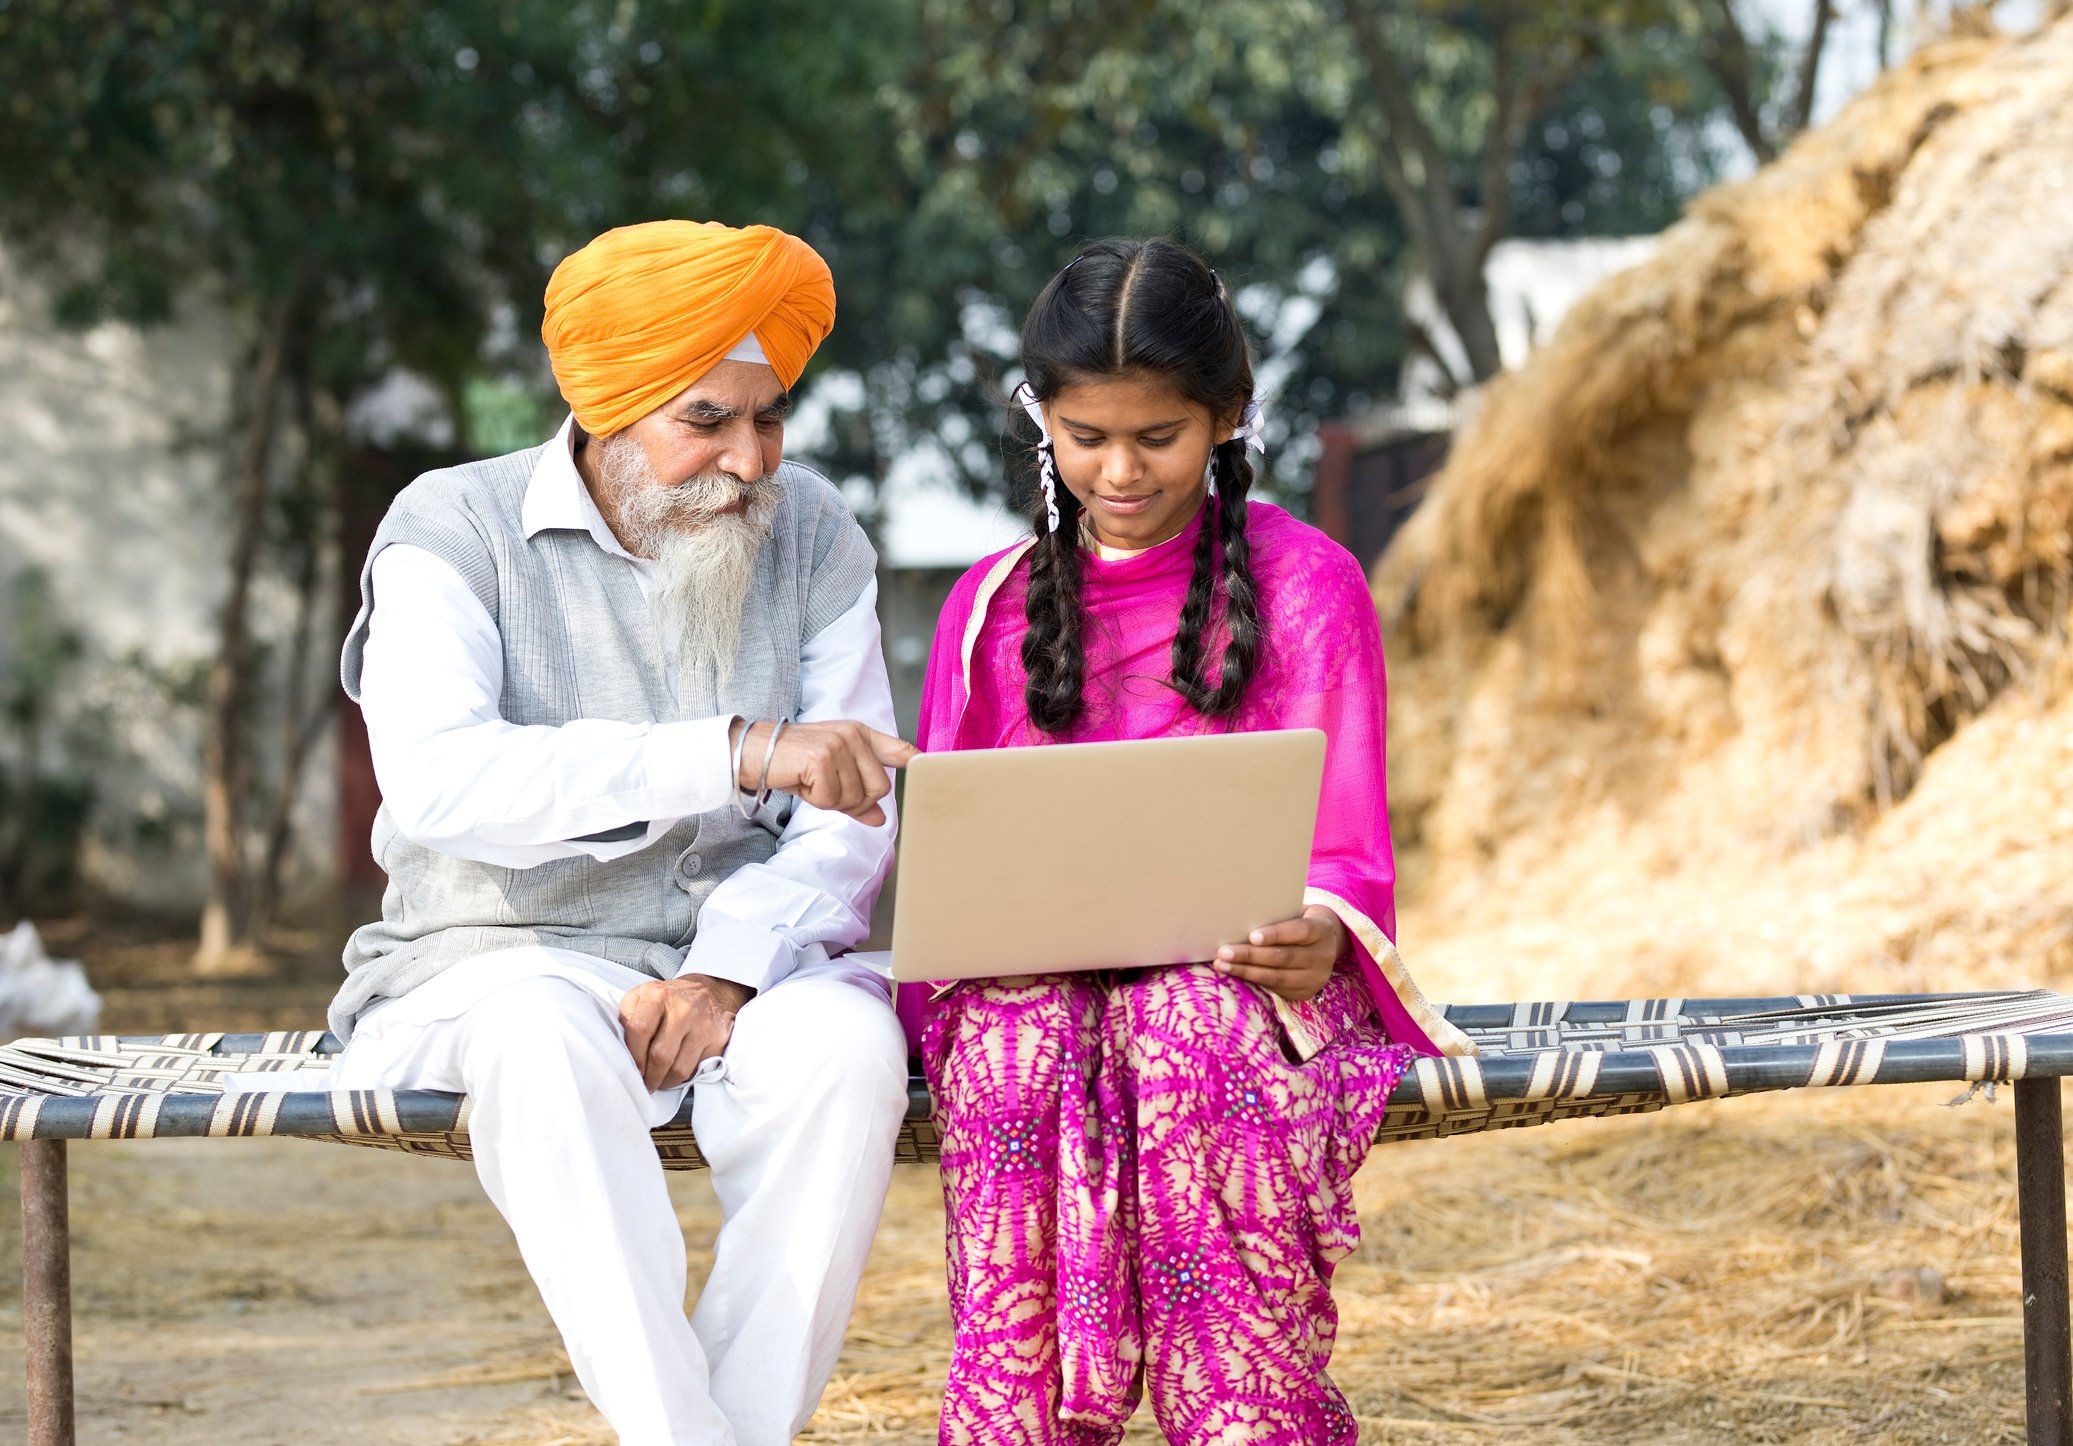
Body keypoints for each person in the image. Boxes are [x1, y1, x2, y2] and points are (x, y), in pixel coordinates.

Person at [326, 219, 916, 1445]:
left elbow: (855, 809)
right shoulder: (452, 527)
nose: (750, 461)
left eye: (770, 418)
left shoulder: (812, 533)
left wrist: (726, 968)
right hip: (493, 964)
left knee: (851, 1053)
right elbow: (439, 781)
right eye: (706, 420)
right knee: (544, 1034)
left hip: (742, 963)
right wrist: (737, 750)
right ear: (607, 406)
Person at [912, 237, 1476, 1444]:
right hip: (1030, 992)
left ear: (1225, 417)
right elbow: (951, 867)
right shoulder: (989, 608)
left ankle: (1244, 1420)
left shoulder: (1309, 584)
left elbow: (1346, 853)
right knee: (1023, 1055)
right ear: (1040, 418)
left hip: (1237, 987)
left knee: (1186, 1043)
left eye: (1156, 438)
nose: (1120, 471)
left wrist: (1319, 928)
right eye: (1087, 436)